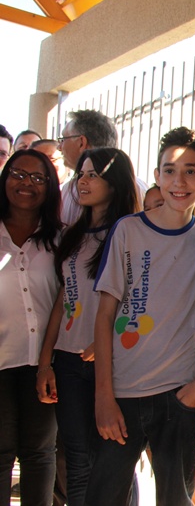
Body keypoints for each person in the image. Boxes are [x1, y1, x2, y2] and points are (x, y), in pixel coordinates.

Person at [85, 127, 195, 505]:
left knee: (176, 498)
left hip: (179, 394)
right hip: (122, 394)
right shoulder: (128, 231)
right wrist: (104, 395)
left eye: (191, 171)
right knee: (104, 495)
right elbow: (105, 316)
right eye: (170, 170)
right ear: (156, 176)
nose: (180, 181)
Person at [36, 148, 140, 506]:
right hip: (67, 363)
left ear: (117, 182)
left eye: (93, 174)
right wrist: (46, 361)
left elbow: (136, 302)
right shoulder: (74, 235)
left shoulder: (130, 233)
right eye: (81, 173)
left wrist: (104, 343)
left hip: (111, 364)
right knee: (76, 461)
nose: (83, 181)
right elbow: (62, 303)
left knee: (115, 461)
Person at [0, 150, 62, 505]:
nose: (26, 184)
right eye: (18, 174)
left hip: (44, 365)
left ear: (50, 188)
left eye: (38, 178)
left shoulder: (61, 239)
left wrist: (47, 362)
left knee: (40, 453)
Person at [58, 110, 148, 225]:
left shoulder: (134, 189)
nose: (59, 147)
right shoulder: (140, 186)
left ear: (81, 142)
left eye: (63, 139)